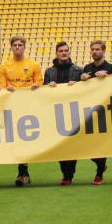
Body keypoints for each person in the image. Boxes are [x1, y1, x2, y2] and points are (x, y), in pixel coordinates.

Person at [0, 35, 42, 187]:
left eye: (20, 45)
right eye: (15, 45)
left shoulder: (34, 65)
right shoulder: (4, 66)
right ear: (11, 47)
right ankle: (23, 172)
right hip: (12, 108)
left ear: (24, 47)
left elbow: (40, 84)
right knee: (17, 140)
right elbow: (1, 87)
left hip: (29, 108)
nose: (17, 47)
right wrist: (6, 88)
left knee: (27, 139)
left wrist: (35, 86)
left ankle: (23, 172)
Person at [79, 40, 112, 185]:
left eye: (97, 49)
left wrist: (107, 77)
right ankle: (101, 165)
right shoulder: (87, 67)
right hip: (89, 110)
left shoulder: (111, 68)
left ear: (103, 51)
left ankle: (99, 174)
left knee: (101, 143)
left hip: (105, 110)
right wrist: (82, 79)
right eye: (93, 49)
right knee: (84, 144)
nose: (94, 52)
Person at [44, 42, 84, 185]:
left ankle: (68, 175)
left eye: (66, 50)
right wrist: (48, 86)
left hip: (73, 112)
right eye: (61, 51)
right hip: (56, 113)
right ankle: (66, 174)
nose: (64, 53)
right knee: (60, 146)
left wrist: (77, 85)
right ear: (56, 53)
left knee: (72, 146)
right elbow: (44, 91)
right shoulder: (49, 71)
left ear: (69, 52)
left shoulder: (78, 70)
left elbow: (85, 90)